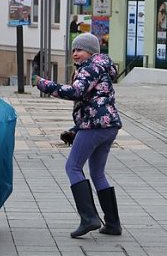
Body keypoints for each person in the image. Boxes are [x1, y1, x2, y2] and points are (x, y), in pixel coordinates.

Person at [33, 33, 123, 239]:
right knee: (97, 172)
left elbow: (76, 92)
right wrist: (75, 129)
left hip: (94, 126)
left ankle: (89, 218)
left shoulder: (89, 68)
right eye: (73, 50)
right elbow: (94, 100)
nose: (75, 54)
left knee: (72, 167)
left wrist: (43, 84)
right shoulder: (102, 67)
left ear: (91, 52)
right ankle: (112, 223)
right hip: (109, 125)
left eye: (79, 50)